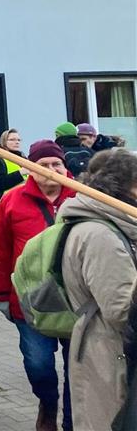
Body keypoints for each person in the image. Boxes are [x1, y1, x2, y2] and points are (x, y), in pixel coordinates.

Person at [0, 140, 75, 431]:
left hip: (77, 300)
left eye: (56, 164)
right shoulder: (12, 200)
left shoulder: (82, 197)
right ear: (29, 168)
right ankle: (47, 403)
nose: (51, 170)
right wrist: (1, 294)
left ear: (65, 167)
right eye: (43, 165)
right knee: (38, 365)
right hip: (32, 300)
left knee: (77, 366)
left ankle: (71, 420)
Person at [57, 149, 137, 430]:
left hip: (113, 350)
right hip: (110, 355)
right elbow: (122, 312)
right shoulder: (102, 236)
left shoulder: (115, 226)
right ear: (127, 188)